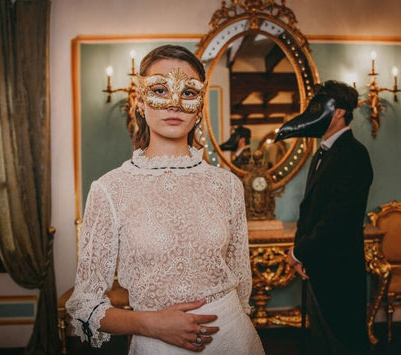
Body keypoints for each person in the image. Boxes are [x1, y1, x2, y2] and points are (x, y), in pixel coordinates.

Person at [66, 45, 265, 354]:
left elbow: (241, 283)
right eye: (160, 89)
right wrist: (150, 324)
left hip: (234, 341)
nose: (174, 103)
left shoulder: (227, 185)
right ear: (141, 102)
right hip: (158, 346)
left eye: (188, 92)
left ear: (199, 105)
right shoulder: (110, 189)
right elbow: (84, 304)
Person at [275, 80, 373, 354]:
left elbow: (338, 219)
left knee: (344, 341)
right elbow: (310, 210)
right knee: (322, 342)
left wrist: (298, 252)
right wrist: (304, 255)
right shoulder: (323, 153)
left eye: (319, 106)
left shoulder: (353, 154)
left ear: (339, 111)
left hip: (339, 271)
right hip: (320, 266)